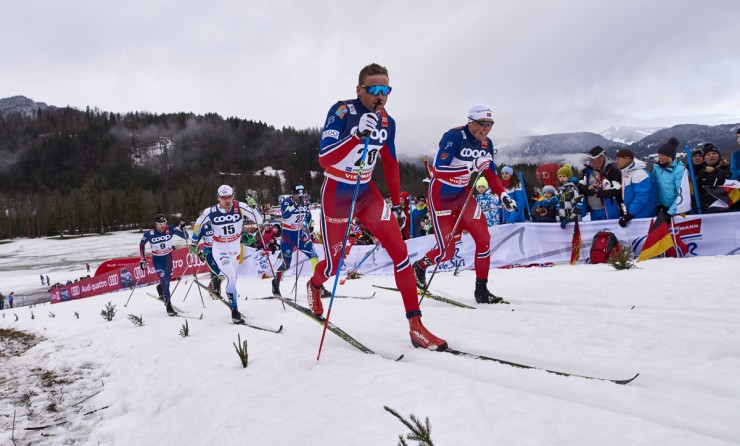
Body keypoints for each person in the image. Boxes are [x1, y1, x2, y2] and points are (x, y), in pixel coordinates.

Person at [308, 62, 447, 350]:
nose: (380, 96)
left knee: (401, 252)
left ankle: (416, 325)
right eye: (374, 90)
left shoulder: (387, 122)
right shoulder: (342, 111)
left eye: (386, 90)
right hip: (337, 193)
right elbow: (324, 158)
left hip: (367, 192)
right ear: (360, 90)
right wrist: (356, 135)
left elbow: (392, 163)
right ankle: (315, 284)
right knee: (334, 264)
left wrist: (396, 203)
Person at [413, 103, 517, 305]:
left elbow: (491, 174)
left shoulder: (487, 144)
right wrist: (470, 167)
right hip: (441, 197)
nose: (485, 129)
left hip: (462, 196)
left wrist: (503, 195)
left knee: (483, 238)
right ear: (470, 122)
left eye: (490, 124)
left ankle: (481, 290)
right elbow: (439, 170)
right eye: (482, 124)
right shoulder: (455, 136)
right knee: (447, 252)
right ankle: (420, 266)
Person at [191, 185, 263, 323]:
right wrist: (194, 243)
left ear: (233, 197)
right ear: (218, 198)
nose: (227, 200)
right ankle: (234, 311)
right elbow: (197, 225)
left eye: (229, 197)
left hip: (235, 248)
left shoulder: (240, 207)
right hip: (219, 248)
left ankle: (222, 287)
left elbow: (259, 220)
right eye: (223, 198)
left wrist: (254, 207)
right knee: (230, 275)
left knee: (233, 278)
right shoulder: (210, 211)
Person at [272, 184, 325, 297]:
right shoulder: (287, 201)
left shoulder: (305, 202)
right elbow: (285, 216)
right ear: (293, 194)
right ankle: (276, 281)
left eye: (302, 193)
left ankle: (318, 286)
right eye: (298, 194)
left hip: (300, 234)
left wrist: (308, 225)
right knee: (286, 264)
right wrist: (295, 206)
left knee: (314, 256)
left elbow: (308, 215)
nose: (300, 196)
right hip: (288, 236)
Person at [139, 214, 188, 316]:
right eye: (161, 224)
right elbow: (141, 244)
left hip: (168, 258)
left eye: (164, 223)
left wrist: (183, 229)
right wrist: (142, 260)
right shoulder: (150, 234)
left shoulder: (169, 229)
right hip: (157, 260)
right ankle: (168, 305)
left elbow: (186, 237)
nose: (163, 226)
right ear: (156, 224)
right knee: (165, 281)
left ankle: (160, 288)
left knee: (167, 280)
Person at [613, 149, 656, 227]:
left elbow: (641, 198)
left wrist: (630, 214)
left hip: (643, 214)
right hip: (635, 212)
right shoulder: (627, 172)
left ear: (627, 160)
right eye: (616, 159)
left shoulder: (640, 174)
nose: (616, 161)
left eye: (619, 159)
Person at [577, 146, 621, 220]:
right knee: (596, 232)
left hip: (610, 210)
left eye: (593, 160)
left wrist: (599, 192)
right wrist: (588, 188)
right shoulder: (586, 171)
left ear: (601, 158)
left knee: (609, 231)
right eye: (589, 159)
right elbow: (579, 187)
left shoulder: (612, 170)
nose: (590, 161)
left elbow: (618, 189)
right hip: (593, 211)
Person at [652, 136, 691, 219]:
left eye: (663, 155)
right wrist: (657, 205)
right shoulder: (656, 167)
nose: (660, 157)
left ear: (670, 157)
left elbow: (680, 194)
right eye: (659, 154)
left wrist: (670, 213)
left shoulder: (679, 170)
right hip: (661, 206)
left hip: (675, 209)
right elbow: (656, 187)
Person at [695, 143, 731, 211]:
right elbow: (698, 193)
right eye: (708, 154)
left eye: (714, 153)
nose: (711, 156)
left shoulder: (729, 168)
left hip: (730, 208)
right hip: (709, 209)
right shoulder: (702, 174)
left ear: (719, 156)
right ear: (704, 159)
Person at [191, 221, 222, 295]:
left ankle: (212, 285)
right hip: (208, 252)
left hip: (219, 251)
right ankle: (216, 290)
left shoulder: (219, 224)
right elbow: (195, 242)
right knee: (216, 270)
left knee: (221, 272)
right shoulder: (202, 227)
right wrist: (199, 253)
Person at [556, 164, 582, 228]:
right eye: (560, 176)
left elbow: (578, 205)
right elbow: (561, 205)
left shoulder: (571, 189)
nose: (561, 178)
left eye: (564, 176)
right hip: (562, 220)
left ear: (569, 176)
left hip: (572, 222)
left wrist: (569, 218)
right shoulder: (562, 189)